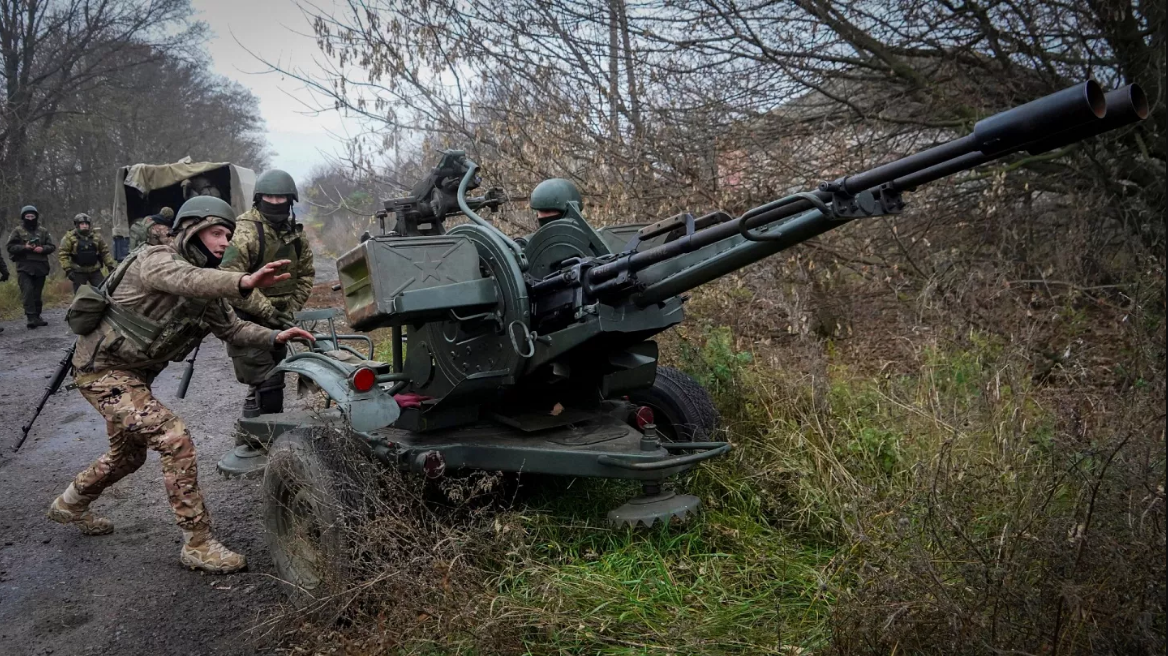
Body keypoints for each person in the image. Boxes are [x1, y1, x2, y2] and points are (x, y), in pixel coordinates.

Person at [45, 195, 315, 573]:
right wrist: (243, 280)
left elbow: (233, 328)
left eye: (229, 235)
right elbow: (184, 279)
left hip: (132, 378)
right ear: (190, 230)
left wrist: (276, 337)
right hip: (101, 372)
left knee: (128, 456)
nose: (225, 242)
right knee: (174, 438)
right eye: (216, 233)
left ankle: (70, 503)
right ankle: (198, 543)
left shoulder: (209, 291)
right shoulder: (155, 259)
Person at [219, 169, 315, 418]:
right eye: (269, 198)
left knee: (274, 379)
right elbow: (230, 283)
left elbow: (305, 275)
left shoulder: (296, 235)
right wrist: (268, 311)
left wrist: (290, 310)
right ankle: (253, 443)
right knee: (266, 382)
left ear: (290, 201)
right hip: (247, 320)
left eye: (280, 198)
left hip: (281, 321)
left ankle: (260, 439)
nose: (274, 203)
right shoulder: (244, 233)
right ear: (259, 198)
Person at [5, 205, 56, 329]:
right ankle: (31, 318)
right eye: (27, 216)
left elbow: (52, 246)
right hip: (24, 267)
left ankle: (38, 316)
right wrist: (25, 247)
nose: (30, 218)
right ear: (23, 217)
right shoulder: (17, 231)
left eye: (32, 216)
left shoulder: (43, 231)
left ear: (36, 217)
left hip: (40, 266)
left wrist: (42, 249)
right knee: (27, 292)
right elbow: (10, 247)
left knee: (37, 293)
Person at [59, 213, 118, 292]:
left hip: (94, 270)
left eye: (87, 224)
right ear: (77, 225)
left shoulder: (96, 236)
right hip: (78, 271)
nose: (85, 226)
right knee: (80, 295)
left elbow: (104, 252)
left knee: (104, 291)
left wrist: (109, 265)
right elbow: (63, 254)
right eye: (82, 224)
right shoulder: (69, 238)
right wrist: (68, 270)